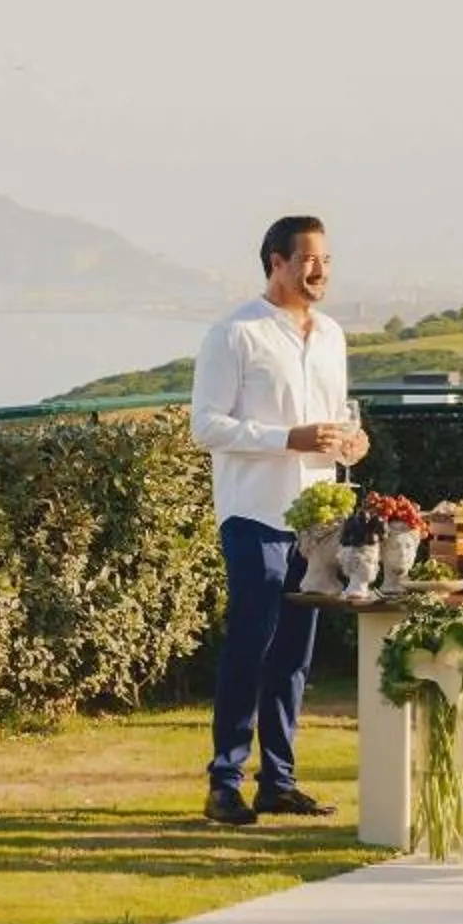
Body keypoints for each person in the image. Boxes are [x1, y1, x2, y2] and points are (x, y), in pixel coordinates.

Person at [190, 214, 368, 826]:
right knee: (250, 647)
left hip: (316, 522)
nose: (320, 271)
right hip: (254, 515)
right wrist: (286, 438)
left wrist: (352, 439)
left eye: (326, 260)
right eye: (309, 260)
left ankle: (279, 781)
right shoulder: (234, 334)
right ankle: (224, 782)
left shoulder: (333, 336)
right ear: (276, 261)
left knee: (294, 655)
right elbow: (205, 426)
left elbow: (338, 412)